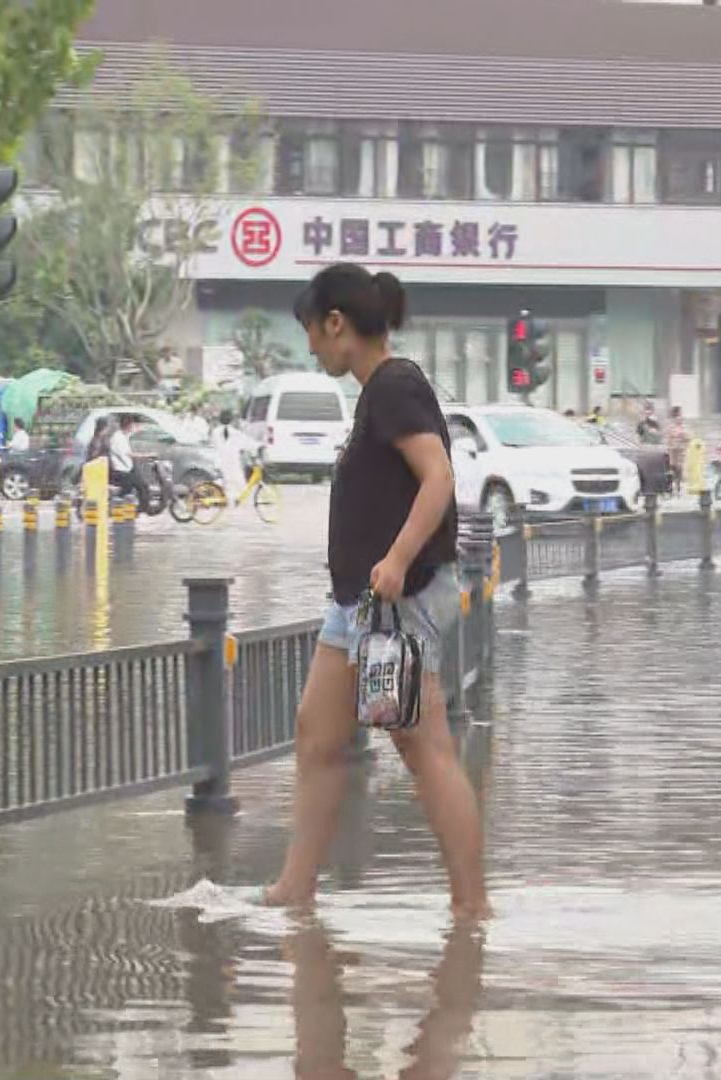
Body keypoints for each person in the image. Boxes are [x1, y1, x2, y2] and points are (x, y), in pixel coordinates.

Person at [259, 262, 487, 920]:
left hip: (396, 600)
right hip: (358, 603)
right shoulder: (378, 392)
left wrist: (396, 558)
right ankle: (295, 888)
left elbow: (438, 477)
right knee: (317, 736)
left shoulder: (393, 386)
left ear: (336, 324)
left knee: (423, 748)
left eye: (311, 331)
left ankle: (472, 906)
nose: (310, 348)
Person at [106, 413, 149, 508]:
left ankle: (139, 506)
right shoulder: (118, 438)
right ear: (128, 425)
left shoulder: (123, 435)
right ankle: (143, 508)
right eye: (132, 425)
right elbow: (128, 454)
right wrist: (145, 455)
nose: (133, 427)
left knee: (139, 485)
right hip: (121, 471)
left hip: (126, 469)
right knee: (141, 485)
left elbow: (132, 432)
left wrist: (140, 428)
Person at [664, 405, 689, 495]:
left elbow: (688, 439)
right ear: (674, 417)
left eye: (681, 415)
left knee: (679, 471)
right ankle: (670, 489)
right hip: (673, 454)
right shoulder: (670, 428)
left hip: (681, 454)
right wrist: (669, 453)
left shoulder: (684, 427)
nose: (680, 417)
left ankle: (678, 489)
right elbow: (668, 442)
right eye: (679, 415)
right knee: (672, 471)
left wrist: (684, 436)